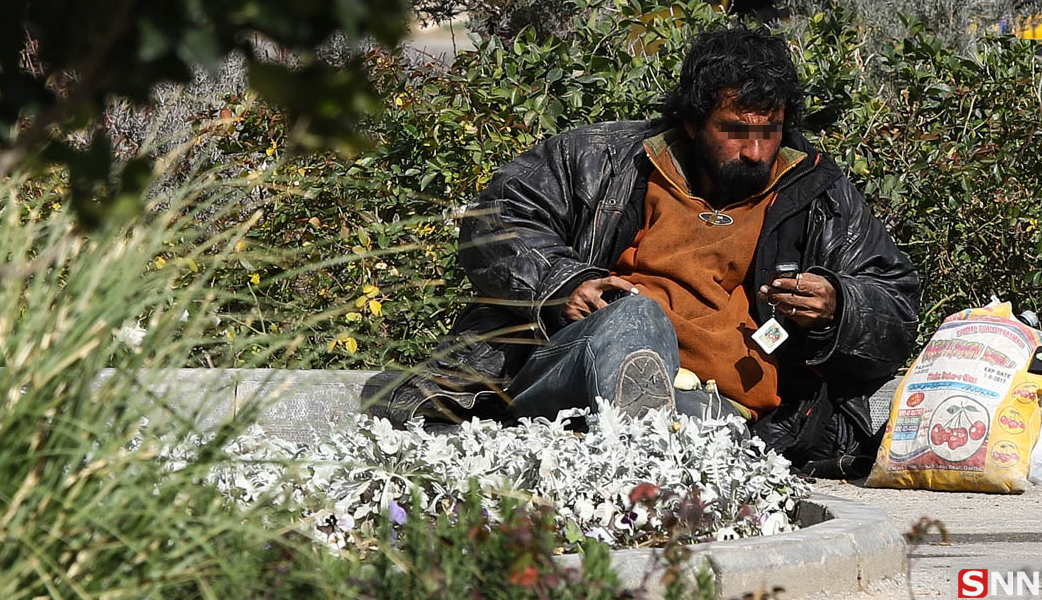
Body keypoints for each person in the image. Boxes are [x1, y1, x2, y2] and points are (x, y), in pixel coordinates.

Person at [379, 26, 920, 477]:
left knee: (697, 425)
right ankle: (649, 449)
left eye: (770, 132)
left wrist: (840, 306)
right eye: (734, 131)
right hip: (567, 378)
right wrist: (564, 284)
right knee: (635, 314)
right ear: (692, 120)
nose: (755, 150)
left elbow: (895, 306)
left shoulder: (819, 191)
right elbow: (495, 222)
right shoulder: (600, 158)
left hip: (725, 414)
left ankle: (653, 446)